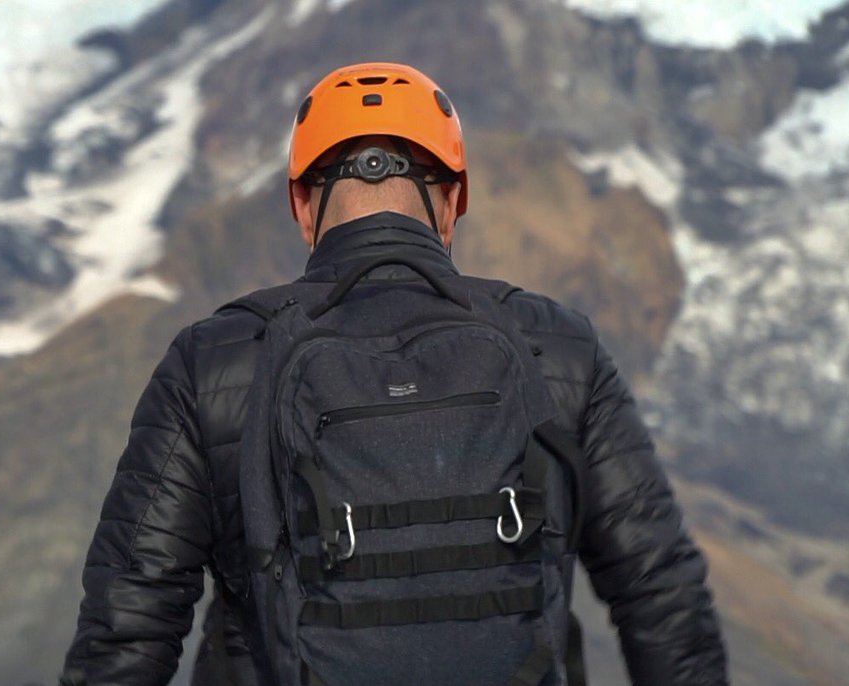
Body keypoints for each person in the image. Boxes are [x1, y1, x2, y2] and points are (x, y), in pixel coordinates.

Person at [60, 62, 727, 686]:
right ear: (451, 202)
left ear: (302, 206)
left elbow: (130, 618)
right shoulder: (557, 346)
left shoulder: (214, 362)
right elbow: (660, 586)